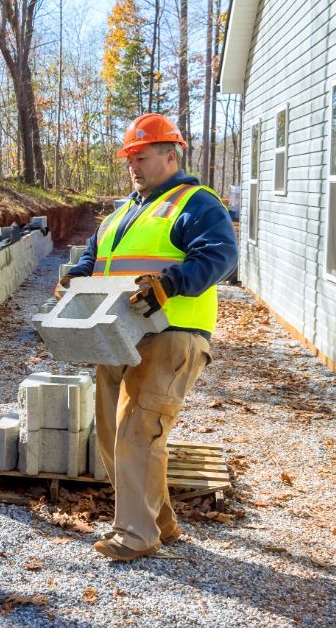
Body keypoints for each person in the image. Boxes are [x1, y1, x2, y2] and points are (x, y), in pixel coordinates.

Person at [56, 113, 238, 562]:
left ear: (170, 155)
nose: (133, 166)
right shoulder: (122, 213)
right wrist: (72, 281)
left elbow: (220, 255)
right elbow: (93, 261)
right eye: (129, 159)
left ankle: (135, 535)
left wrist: (169, 284)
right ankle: (159, 523)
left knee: (140, 430)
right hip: (117, 334)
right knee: (115, 432)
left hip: (171, 332)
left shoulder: (196, 203)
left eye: (142, 156)